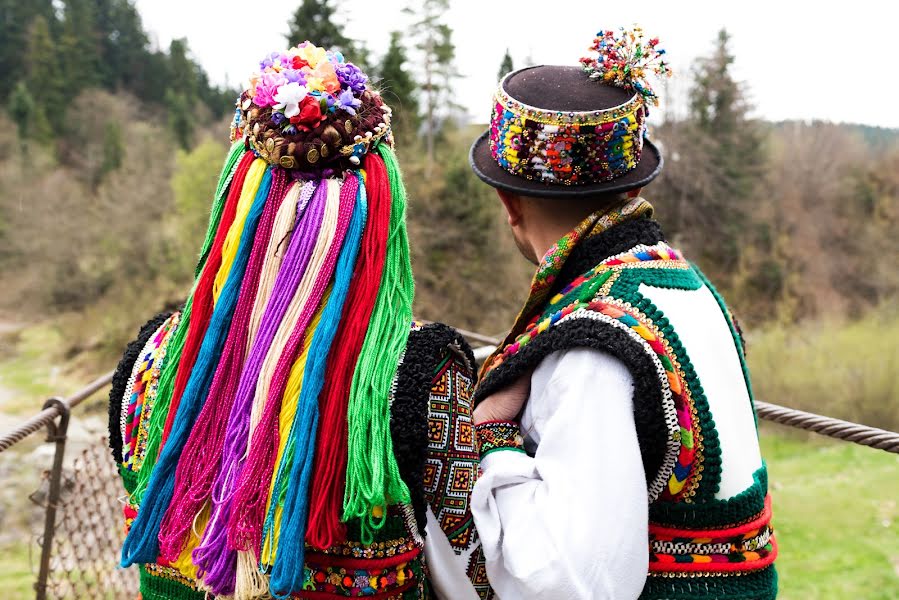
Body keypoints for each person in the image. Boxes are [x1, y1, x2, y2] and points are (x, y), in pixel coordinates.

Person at [108, 41, 489, 600]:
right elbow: (477, 572)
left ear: (237, 201)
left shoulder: (151, 364)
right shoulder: (424, 380)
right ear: (381, 207)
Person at [466, 28, 778, 599]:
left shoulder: (593, 342)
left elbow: (570, 581)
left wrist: (493, 439)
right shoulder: (685, 286)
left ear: (508, 203)